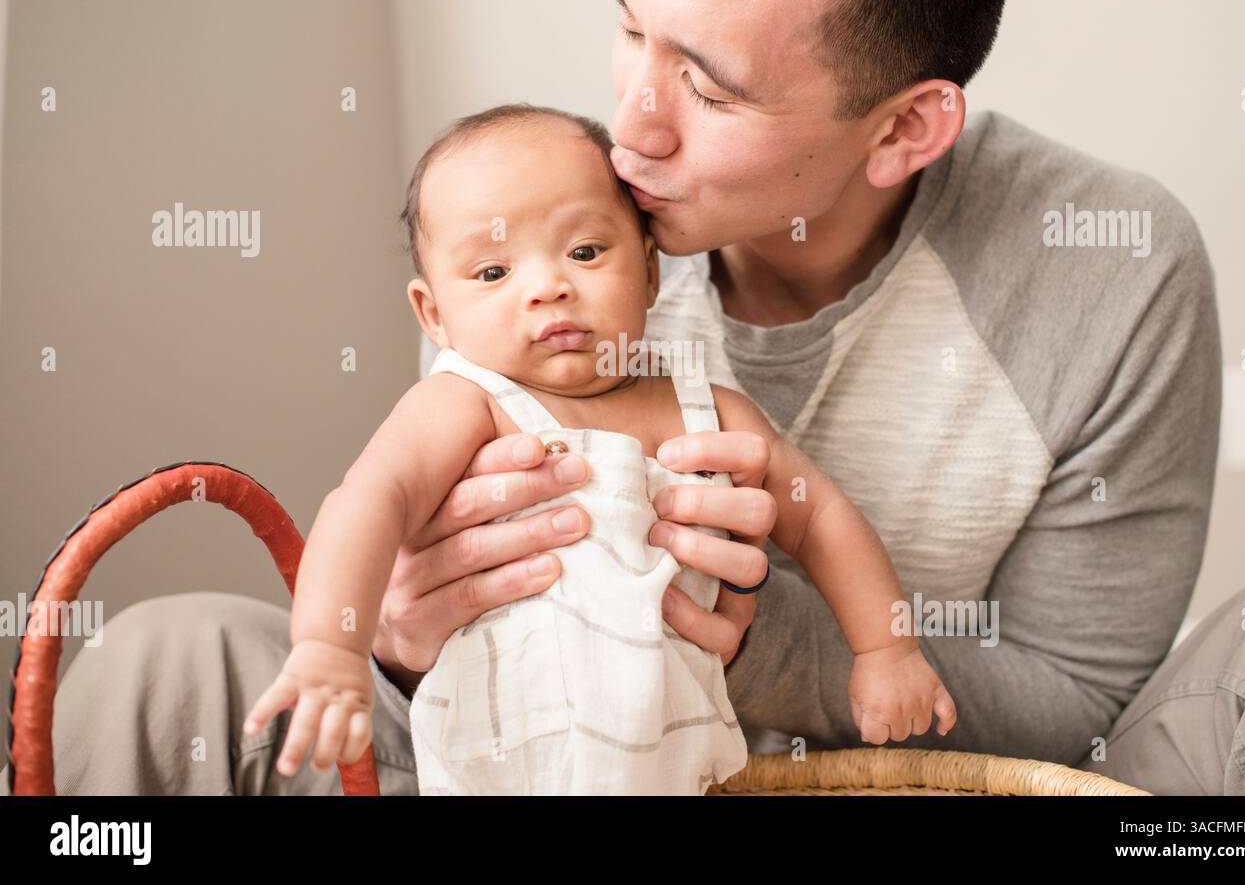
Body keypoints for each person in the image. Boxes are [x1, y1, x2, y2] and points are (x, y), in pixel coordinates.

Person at [6, 0, 1245, 797]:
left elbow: (1079, 721)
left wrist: (770, 640)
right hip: (518, 753)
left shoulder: (1113, 275)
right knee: (173, 660)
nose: (627, 125)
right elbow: (398, 530)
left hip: (852, 773)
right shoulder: (538, 226)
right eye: (629, 29)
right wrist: (390, 630)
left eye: (709, 87)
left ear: (906, 126)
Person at [238, 104, 955, 794]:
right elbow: (370, 501)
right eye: (493, 272)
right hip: (501, 764)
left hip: (676, 765)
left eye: (584, 251)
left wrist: (886, 648)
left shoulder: (703, 409)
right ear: (435, 315)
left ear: (649, 271)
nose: (548, 287)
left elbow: (821, 514)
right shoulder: (466, 404)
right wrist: (332, 647)